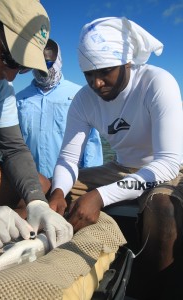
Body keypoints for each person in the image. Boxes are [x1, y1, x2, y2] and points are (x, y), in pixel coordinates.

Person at [48, 17, 183, 299]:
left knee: (162, 208)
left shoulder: (157, 83)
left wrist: (99, 196)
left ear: (127, 62)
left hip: (169, 168)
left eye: (105, 71)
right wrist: (58, 191)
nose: (96, 83)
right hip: (120, 168)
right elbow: (68, 158)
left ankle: (152, 289)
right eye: (87, 74)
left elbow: (169, 161)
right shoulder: (84, 99)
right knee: (44, 189)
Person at [0, 0, 73, 250]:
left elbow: (13, 148)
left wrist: (37, 203)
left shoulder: (0, 86)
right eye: (10, 57)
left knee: (40, 186)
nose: (11, 75)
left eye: (22, 67)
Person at [16, 38, 103, 179]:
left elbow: (92, 140)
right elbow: (14, 143)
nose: (42, 69)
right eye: (36, 64)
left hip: (71, 180)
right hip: (31, 180)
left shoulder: (80, 94)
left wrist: (90, 179)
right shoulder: (19, 99)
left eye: (47, 63)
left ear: (59, 61)